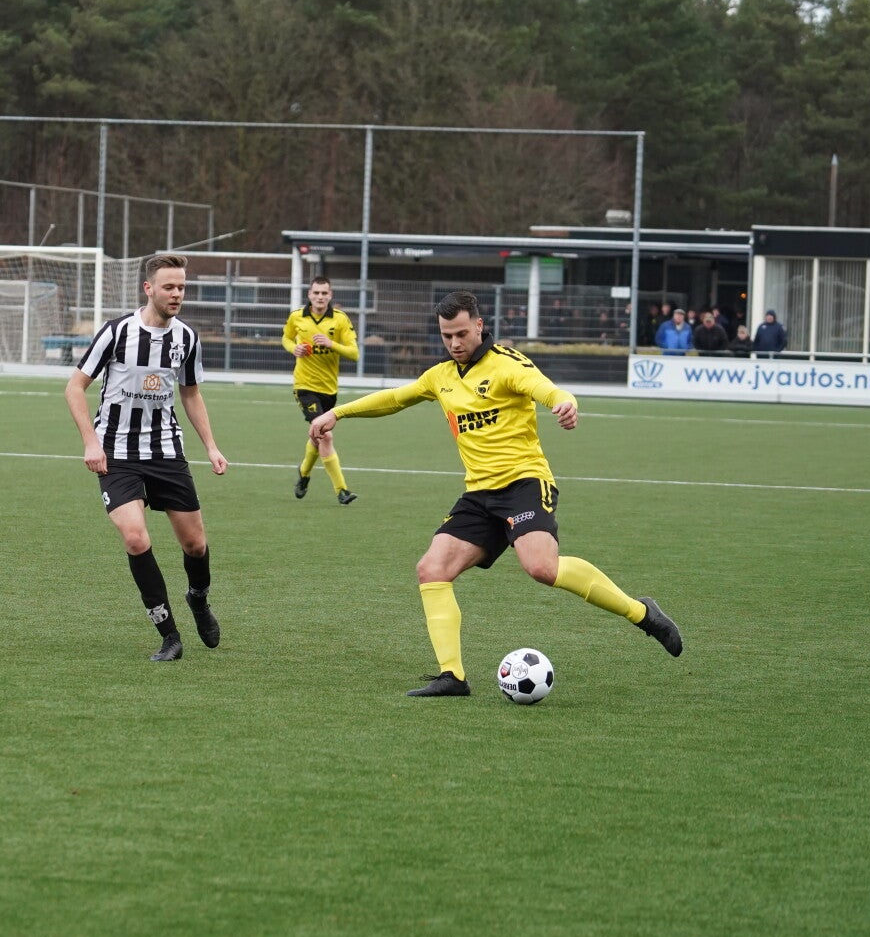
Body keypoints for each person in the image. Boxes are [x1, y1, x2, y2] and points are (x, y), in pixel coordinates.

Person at [308, 290, 682, 697]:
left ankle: (642, 613)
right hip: (479, 495)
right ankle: (452, 676)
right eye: (447, 335)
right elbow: (397, 398)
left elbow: (545, 388)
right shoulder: (441, 376)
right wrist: (337, 412)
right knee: (431, 569)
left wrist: (565, 402)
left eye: (462, 334)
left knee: (541, 567)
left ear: (479, 325)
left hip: (524, 483)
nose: (454, 343)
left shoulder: (506, 364)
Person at [63, 252, 228, 662]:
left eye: (182, 287)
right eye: (169, 287)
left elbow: (190, 393)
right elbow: (74, 387)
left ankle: (198, 598)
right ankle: (169, 635)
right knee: (136, 538)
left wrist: (211, 445)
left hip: (166, 452)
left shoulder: (186, 338)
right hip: (117, 454)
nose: (177, 294)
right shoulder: (117, 332)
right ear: (148, 288)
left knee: (195, 545)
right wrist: (91, 442)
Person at [282, 274, 359, 504]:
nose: (320, 297)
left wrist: (331, 343)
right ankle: (342, 490)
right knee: (325, 435)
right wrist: (294, 349)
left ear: (330, 295)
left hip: (329, 389)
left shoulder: (340, 320)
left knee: (316, 436)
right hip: (305, 386)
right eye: (316, 292)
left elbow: (354, 353)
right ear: (309, 294)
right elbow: (286, 339)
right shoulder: (297, 317)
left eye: (324, 293)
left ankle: (304, 473)